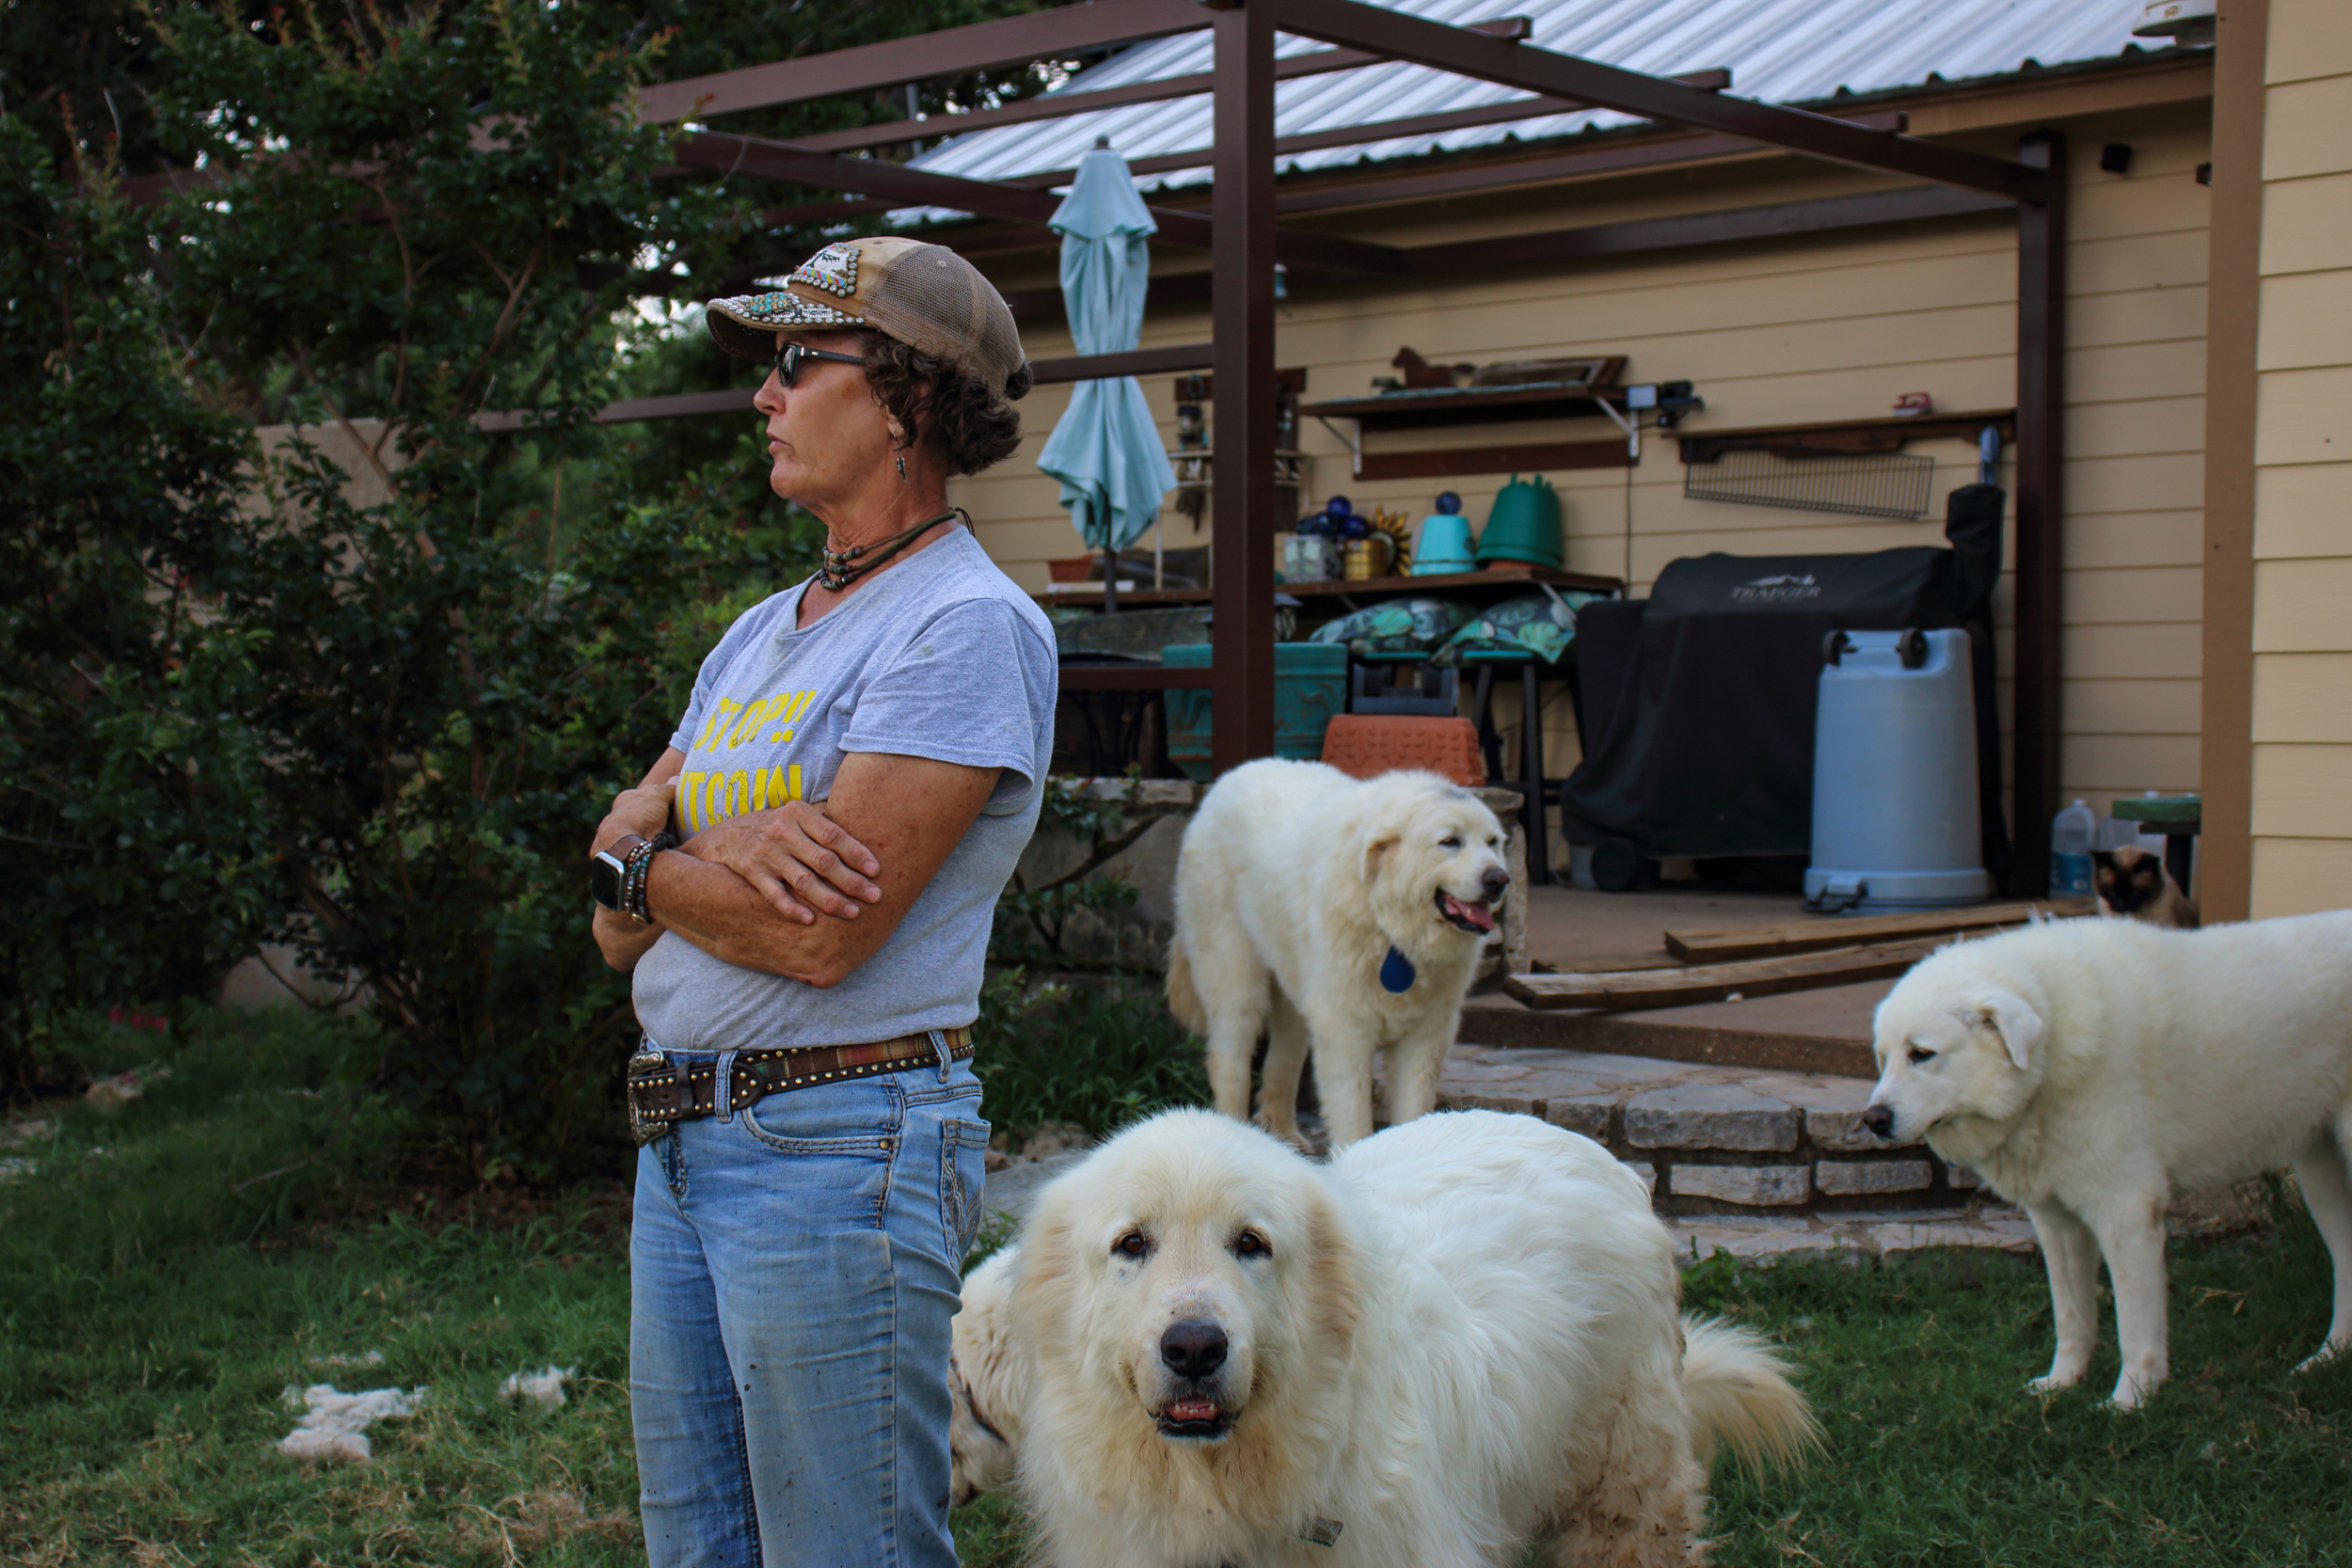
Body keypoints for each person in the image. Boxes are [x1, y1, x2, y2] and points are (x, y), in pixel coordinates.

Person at [586, 236, 1055, 1566]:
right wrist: (683, 857)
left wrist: (655, 850)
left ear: (907, 397)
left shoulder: (962, 626)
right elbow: (612, 920)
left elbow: (820, 934)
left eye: (798, 361)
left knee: (845, 1551)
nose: (765, 395)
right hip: (682, 1138)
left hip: (836, 1141)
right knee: (702, 1550)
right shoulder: (757, 634)